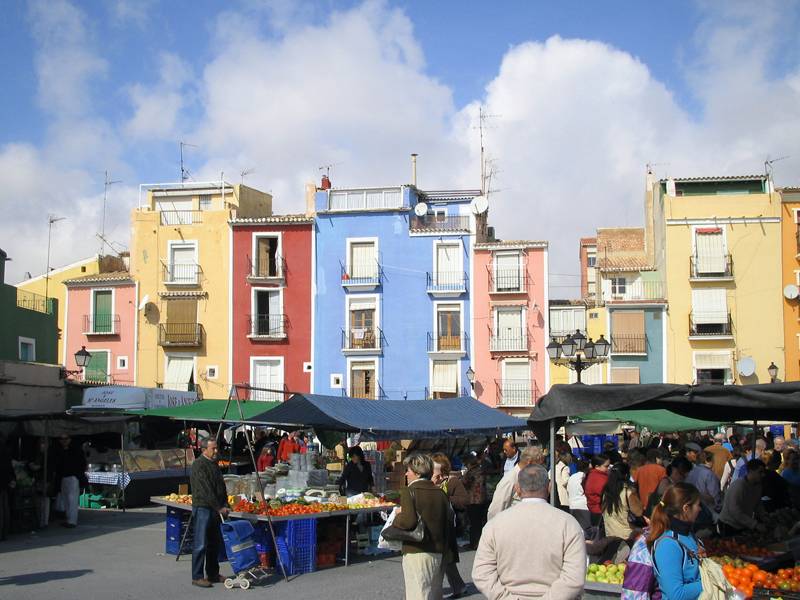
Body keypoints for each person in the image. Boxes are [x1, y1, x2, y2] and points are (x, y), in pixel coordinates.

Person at [473, 464, 586, 600]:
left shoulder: (494, 525)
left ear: (518, 489)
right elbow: (574, 577)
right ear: (549, 487)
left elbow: (482, 574)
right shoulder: (568, 523)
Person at [394, 453, 453, 600]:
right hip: (438, 551)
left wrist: (396, 517)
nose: (407, 473)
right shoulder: (440, 492)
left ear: (417, 472)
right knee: (434, 594)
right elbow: (448, 521)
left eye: (409, 470)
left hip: (417, 551)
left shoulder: (410, 491)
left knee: (418, 594)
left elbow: (408, 521)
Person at [648, 482, 704, 600]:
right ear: (686, 508)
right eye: (698, 505)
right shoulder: (668, 545)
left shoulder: (690, 536)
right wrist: (713, 581)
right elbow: (676, 594)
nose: (700, 509)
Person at [189, 438, 229, 588]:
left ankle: (212, 573)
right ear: (204, 449)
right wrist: (218, 507)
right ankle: (197, 576)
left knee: (214, 543)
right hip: (203, 508)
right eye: (213, 449)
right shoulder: (199, 465)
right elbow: (205, 490)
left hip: (215, 509)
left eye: (217, 448)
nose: (216, 451)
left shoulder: (214, 464)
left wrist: (225, 504)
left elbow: (221, 486)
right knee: (200, 543)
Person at [432, 453, 468, 599]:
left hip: (447, 525)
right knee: (445, 559)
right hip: (434, 524)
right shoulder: (430, 480)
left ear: (443, 469)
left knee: (444, 558)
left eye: (434, 468)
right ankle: (459, 587)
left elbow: (464, 500)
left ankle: (439, 591)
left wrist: (445, 497)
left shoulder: (452, 482)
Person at [487, 446, 544, 520]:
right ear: (529, 462)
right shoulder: (510, 479)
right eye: (539, 465)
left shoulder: (528, 477)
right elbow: (496, 510)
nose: (541, 469)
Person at [718, 459, 767, 535]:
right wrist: (755, 524)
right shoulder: (738, 486)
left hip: (742, 525)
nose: (763, 475)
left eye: (763, 472)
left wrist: (764, 516)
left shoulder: (758, 486)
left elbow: (758, 504)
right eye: (760, 472)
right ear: (751, 471)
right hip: (728, 525)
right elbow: (734, 511)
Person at [601, 462, 644, 542]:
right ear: (626, 475)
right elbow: (639, 512)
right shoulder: (628, 492)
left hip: (610, 536)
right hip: (627, 537)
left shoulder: (606, 492)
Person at [51, 434, 86, 528]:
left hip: (73, 477)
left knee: (72, 499)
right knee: (67, 499)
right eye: (61, 439)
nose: (64, 441)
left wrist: (77, 474)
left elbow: (82, 464)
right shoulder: (60, 451)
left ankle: (72, 521)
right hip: (64, 477)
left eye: (66, 439)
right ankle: (69, 519)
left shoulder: (76, 450)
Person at [461, 453, 488, 550]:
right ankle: (479, 543)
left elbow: (464, 482)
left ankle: (474, 544)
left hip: (473, 500)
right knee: (479, 523)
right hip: (482, 499)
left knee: (473, 523)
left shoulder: (471, 472)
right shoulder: (480, 470)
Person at [584, 453, 611, 526]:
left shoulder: (593, 475)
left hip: (595, 510)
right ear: (597, 466)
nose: (608, 468)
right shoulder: (598, 478)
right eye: (606, 466)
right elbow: (607, 493)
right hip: (599, 511)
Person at [566, 459, 591, 531]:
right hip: (583, 506)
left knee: (576, 528)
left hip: (572, 505)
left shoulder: (571, 477)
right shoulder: (585, 477)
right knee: (586, 529)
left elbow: (568, 490)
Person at [0, 433, 15, 540]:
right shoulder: (5, 451)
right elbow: (9, 468)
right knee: (4, 508)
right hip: (5, 483)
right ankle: (4, 532)